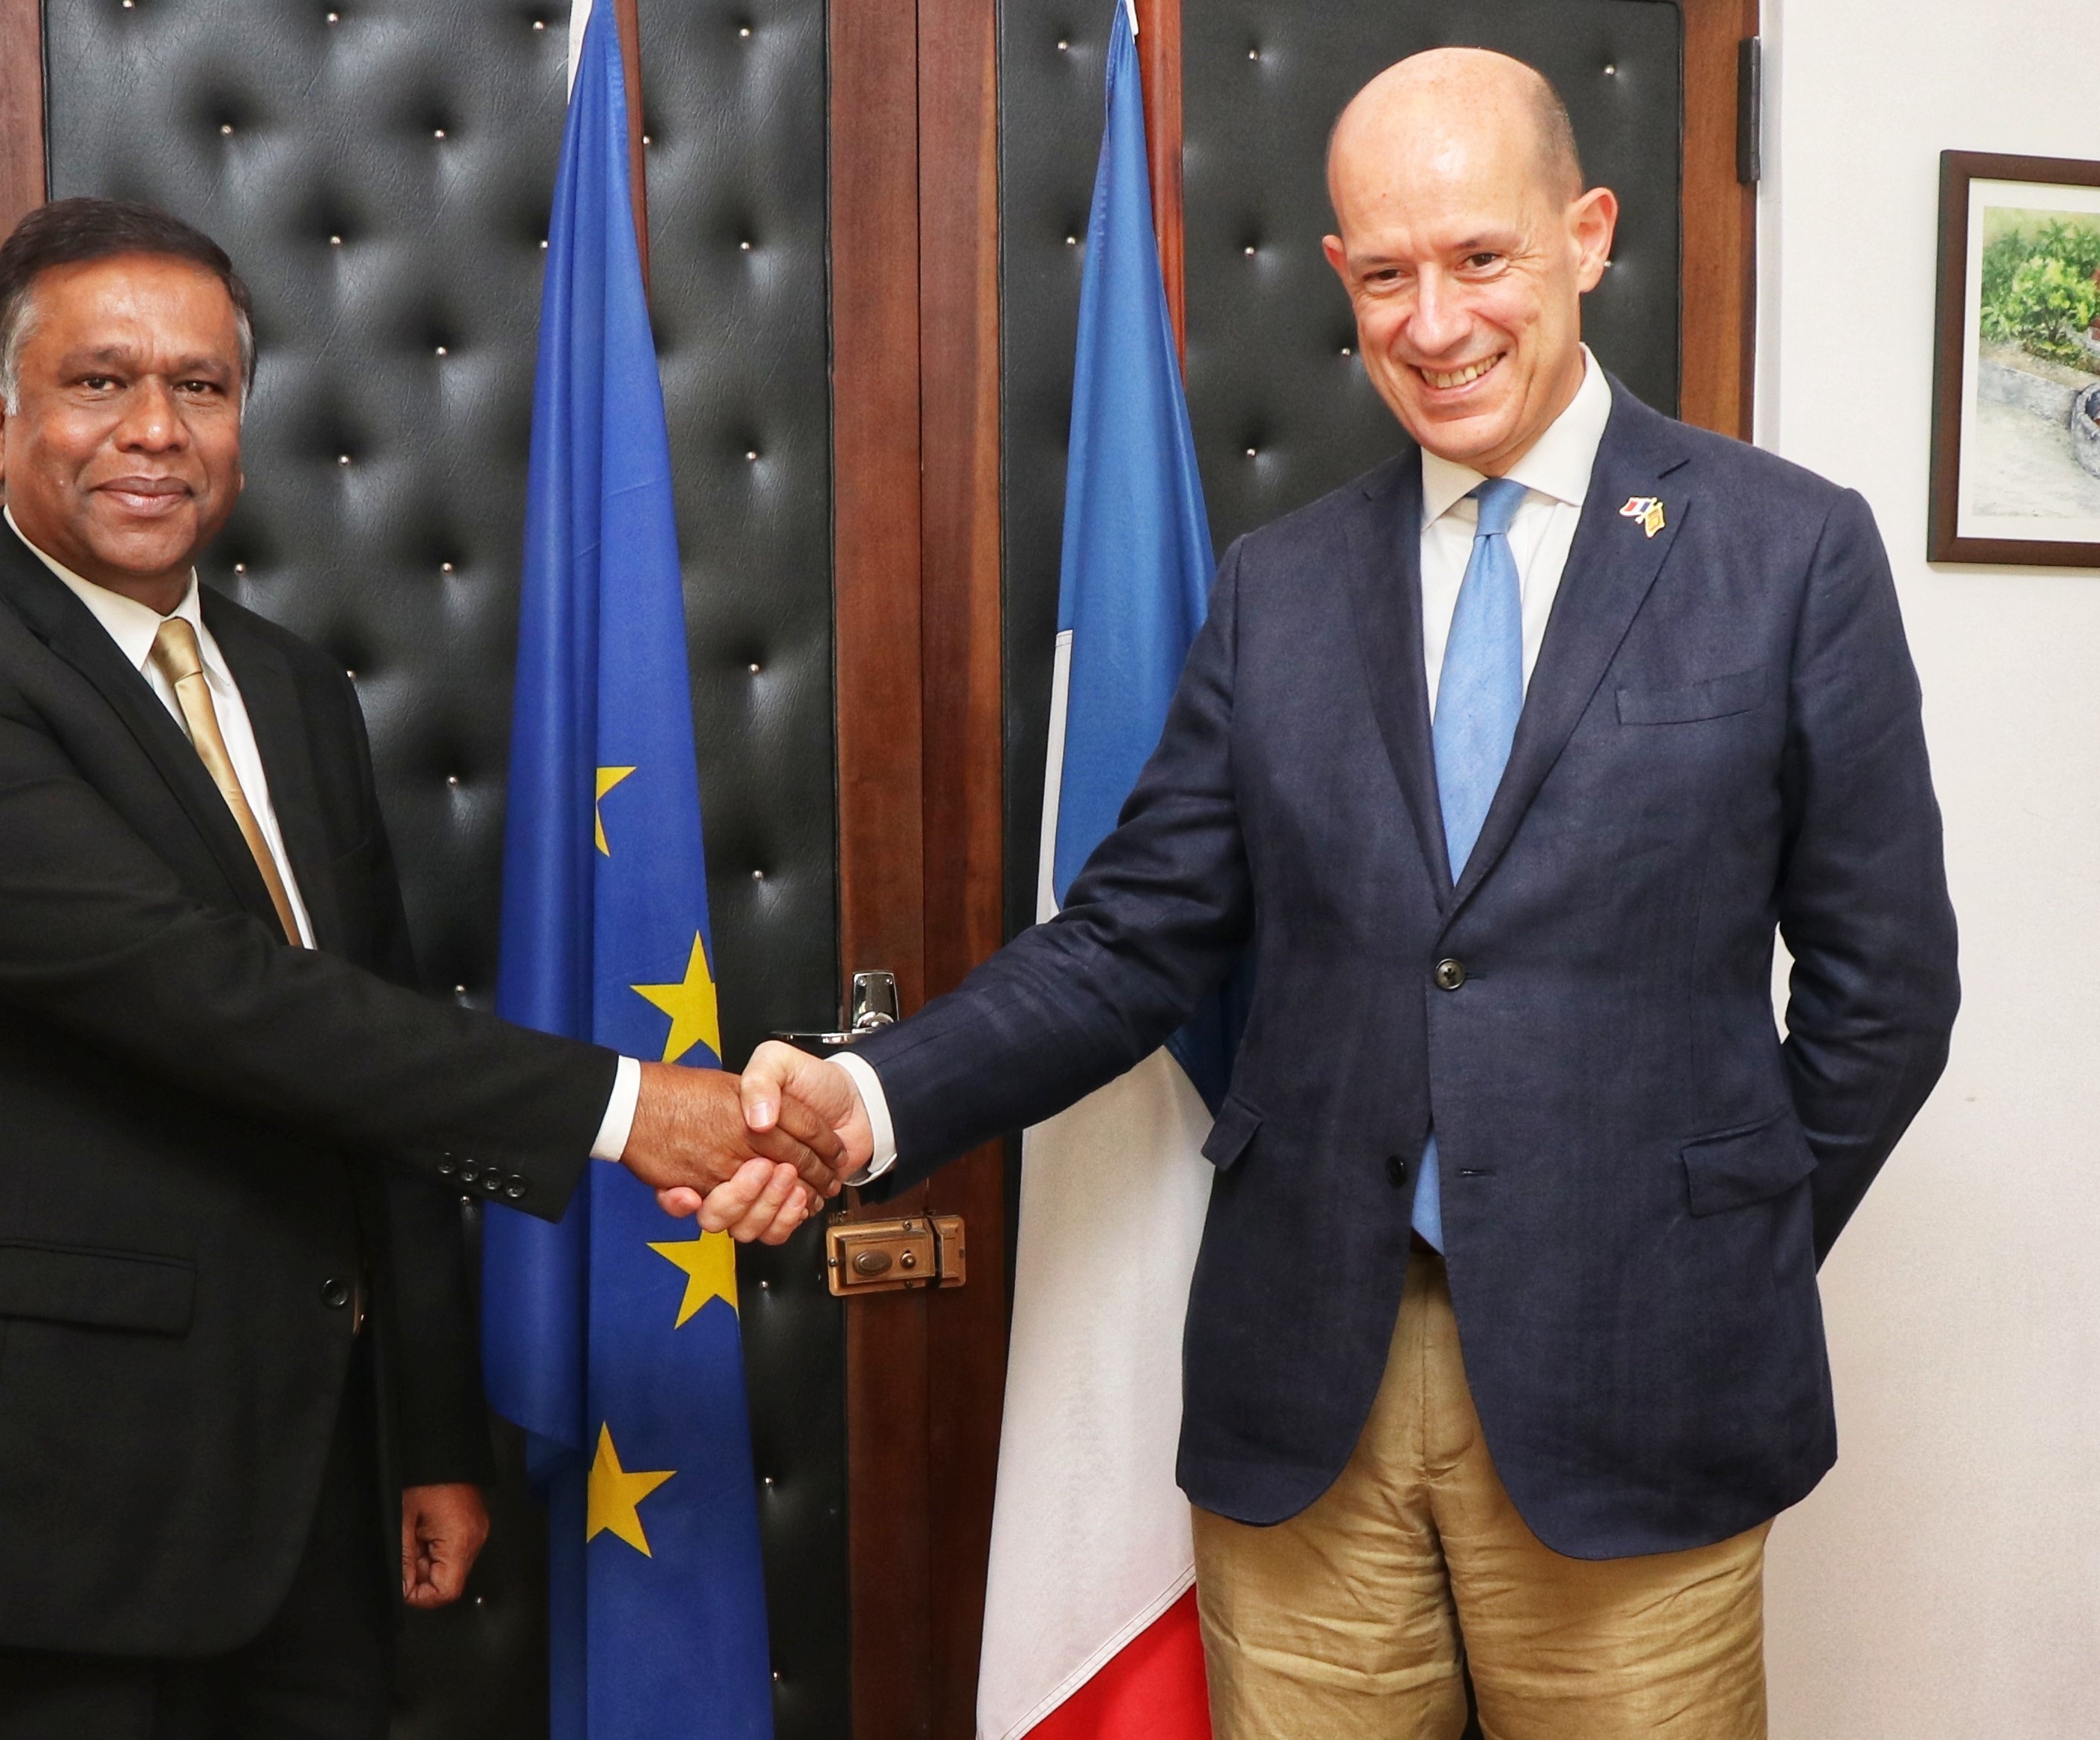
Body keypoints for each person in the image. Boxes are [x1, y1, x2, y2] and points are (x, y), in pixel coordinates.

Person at [738, 48, 1961, 1739]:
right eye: (1385, 273)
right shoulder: (1280, 590)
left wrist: (1717, 1256)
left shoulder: (1790, 555)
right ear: (1339, 280)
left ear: (1589, 235)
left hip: (1643, 1387)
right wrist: (869, 1097)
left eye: (1480, 259)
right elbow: (1126, 944)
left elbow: (1886, 996)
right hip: (1308, 1393)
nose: (1433, 321)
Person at [0, 197, 832, 1740]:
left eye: (202, 387)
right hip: (56, 1522)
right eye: (101, 382)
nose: (155, 430)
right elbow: (210, 996)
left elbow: (383, 1056)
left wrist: (429, 1432)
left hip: (313, 1496)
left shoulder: (292, 689)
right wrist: (634, 1111)